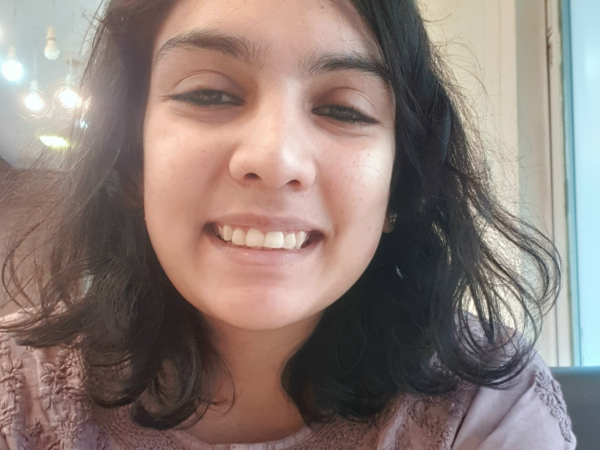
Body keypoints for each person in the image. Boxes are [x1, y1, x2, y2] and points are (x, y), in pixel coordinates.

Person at [0, 0, 576, 448]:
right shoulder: (16, 390)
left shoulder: (484, 402)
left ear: (399, 186)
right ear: (130, 162)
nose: (275, 160)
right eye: (209, 94)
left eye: (343, 109)